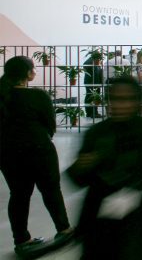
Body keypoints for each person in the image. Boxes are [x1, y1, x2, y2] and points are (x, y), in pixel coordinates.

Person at [68, 76, 142, 260]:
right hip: (98, 228)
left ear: (138, 103)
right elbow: (78, 181)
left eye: (126, 100)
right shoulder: (97, 133)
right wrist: (80, 167)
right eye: (114, 99)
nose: (119, 105)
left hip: (139, 228)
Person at [0, 56, 75, 258]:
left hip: (8, 153)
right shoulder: (38, 96)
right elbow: (50, 125)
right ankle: (64, 229)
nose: (35, 72)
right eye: (33, 69)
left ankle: (22, 240)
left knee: (19, 195)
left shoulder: (2, 96)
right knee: (51, 190)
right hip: (39, 150)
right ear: (27, 74)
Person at [83, 52, 104, 119]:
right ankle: (91, 113)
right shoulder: (89, 61)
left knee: (94, 97)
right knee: (90, 97)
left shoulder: (95, 61)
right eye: (99, 58)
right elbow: (87, 67)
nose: (100, 60)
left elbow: (98, 71)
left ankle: (93, 112)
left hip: (95, 82)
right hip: (91, 82)